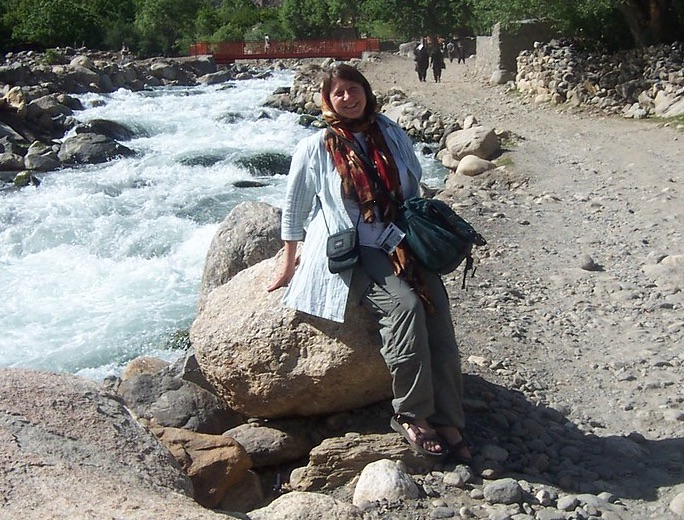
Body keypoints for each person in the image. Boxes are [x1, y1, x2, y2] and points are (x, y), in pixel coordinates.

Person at [267, 64, 471, 461]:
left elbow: (413, 186)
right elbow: (294, 209)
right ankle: (412, 414)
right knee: (406, 307)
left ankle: (449, 416)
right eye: (338, 92)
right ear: (327, 100)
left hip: (401, 240)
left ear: (365, 91)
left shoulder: (391, 132)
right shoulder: (316, 146)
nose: (348, 97)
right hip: (358, 250)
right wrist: (288, 265)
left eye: (353, 88)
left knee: (439, 318)